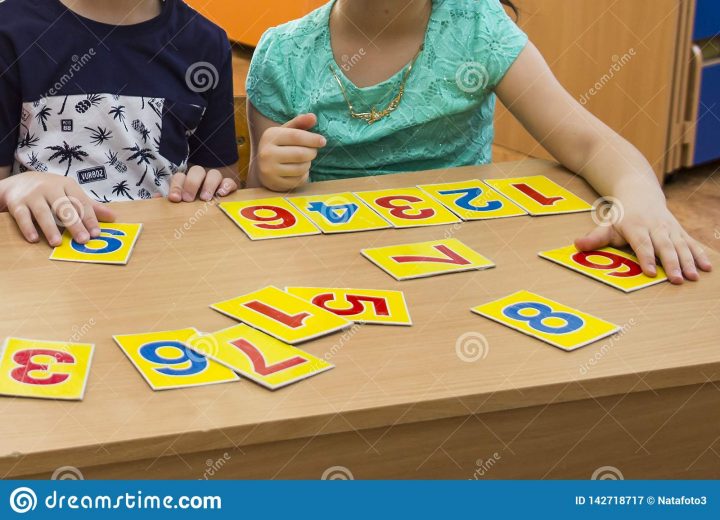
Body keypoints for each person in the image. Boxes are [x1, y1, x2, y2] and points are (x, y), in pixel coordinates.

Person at [246, 0, 711, 284]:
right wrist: (270, 174)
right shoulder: (281, 54)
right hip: (327, 275)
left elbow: (589, 143)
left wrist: (641, 199)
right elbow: (254, 205)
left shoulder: (477, 28)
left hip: (459, 268)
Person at [0, 0, 240, 247]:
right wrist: (13, 188)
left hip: (165, 258)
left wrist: (205, 185)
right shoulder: (9, 29)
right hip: (40, 257)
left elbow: (223, 180)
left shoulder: (206, 43)